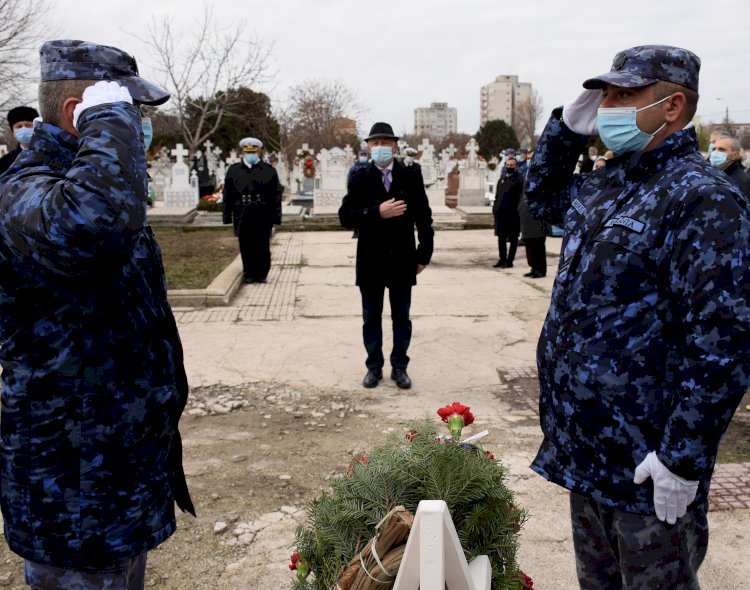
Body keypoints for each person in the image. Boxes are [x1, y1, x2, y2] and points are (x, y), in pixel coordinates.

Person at [526, 44, 750, 588]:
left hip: (649, 463)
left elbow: (723, 341)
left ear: (672, 106)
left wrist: (682, 458)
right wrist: (565, 130)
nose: (609, 107)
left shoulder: (702, 198)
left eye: (626, 95)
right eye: (606, 95)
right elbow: (542, 198)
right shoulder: (609, 182)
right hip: (589, 450)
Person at [0, 39, 195, 589]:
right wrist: (107, 121)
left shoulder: (95, 183)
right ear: (78, 112)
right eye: (128, 111)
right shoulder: (24, 190)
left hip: (115, 466)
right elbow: (91, 227)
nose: (138, 125)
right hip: (74, 484)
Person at [339, 122, 433, 390]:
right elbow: (346, 217)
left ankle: (400, 367)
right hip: (370, 260)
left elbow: (424, 217)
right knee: (371, 316)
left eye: (385, 143)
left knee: (401, 317)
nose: (380, 148)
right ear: (368, 147)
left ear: (395, 146)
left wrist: (423, 254)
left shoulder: (410, 175)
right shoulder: (359, 177)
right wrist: (376, 212)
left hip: (403, 259)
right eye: (375, 143)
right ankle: (374, 367)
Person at [222, 137, 283, 284]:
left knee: (262, 244)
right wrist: (227, 216)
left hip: (262, 212)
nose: (250, 154)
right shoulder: (234, 170)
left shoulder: (269, 171)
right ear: (243, 152)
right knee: (246, 244)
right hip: (242, 212)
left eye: (254, 152)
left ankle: (261, 273)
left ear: (259, 152)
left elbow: (275, 196)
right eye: (248, 152)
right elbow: (228, 194)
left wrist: (276, 217)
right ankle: (249, 273)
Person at [492, 156, 523, 268]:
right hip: (501, 215)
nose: (509, 167)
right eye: (508, 165)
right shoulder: (501, 180)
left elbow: (521, 198)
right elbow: (497, 196)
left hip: (513, 215)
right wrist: (495, 209)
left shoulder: (519, 180)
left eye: (512, 166)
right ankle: (502, 259)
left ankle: (509, 261)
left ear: (516, 167)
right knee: (501, 238)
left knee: (513, 239)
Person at [0, 106, 39, 176]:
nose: (24, 129)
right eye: (19, 126)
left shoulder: (52, 154)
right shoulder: (5, 162)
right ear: (13, 132)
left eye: (28, 125)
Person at [710, 132, 750, 197]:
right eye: (714, 149)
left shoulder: (744, 182)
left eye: (721, 149)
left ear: (735, 155)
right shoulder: (709, 175)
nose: (715, 153)